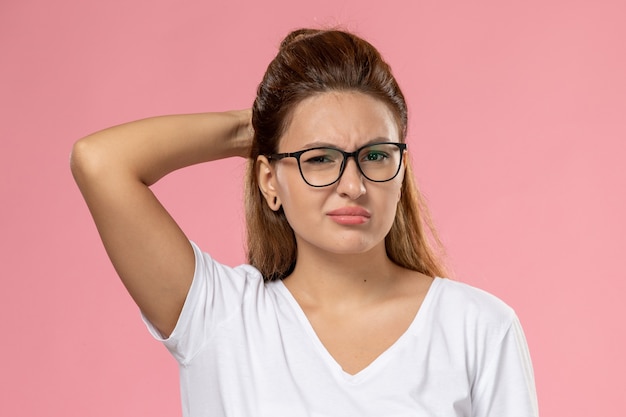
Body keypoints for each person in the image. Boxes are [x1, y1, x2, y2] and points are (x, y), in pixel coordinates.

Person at [71, 28, 539, 417]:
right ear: (269, 180)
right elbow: (99, 161)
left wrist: (298, 136)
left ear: (401, 171)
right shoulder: (220, 317)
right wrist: (253, 128)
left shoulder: (479, 328)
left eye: (376, 155)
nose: (352, 184)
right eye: (320, 158)